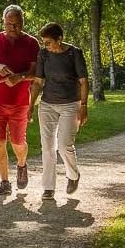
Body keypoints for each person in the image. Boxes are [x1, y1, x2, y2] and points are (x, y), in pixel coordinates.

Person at [0, 4, 39, 195]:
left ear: (23, 22)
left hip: (20, 101)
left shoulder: (31, 43)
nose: (13, 28)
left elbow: (36, 73)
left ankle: (22, 164)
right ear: (3, 23)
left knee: (18, 143)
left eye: (17, 24)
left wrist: (20, 77)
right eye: (9, 24)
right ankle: (4, 182)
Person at [31, 22, 89, 199]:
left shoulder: (74, 53)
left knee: (64, 145)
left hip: (70, 104)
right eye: (44, 43)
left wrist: (84, 106)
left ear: (60, 39)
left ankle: (73, 175)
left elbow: (84, 82)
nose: (46, 46)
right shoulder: (44, 54)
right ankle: (48, 188)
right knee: (47, 146)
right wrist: (30, 105)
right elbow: (38, 82)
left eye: (48, 42)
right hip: (47, 104)